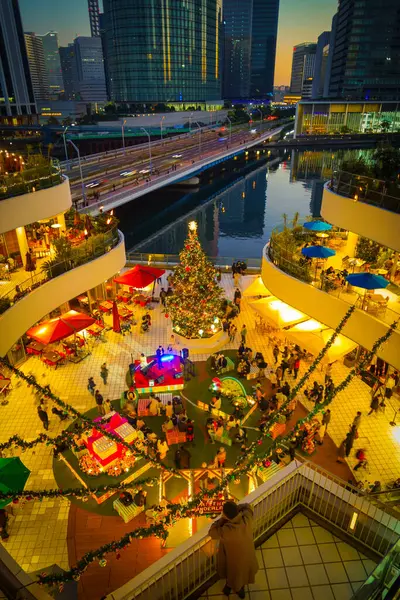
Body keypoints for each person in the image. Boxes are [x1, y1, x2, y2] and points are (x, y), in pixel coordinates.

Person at [209, 501, 258, 599]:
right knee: (241, 572)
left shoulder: (227, 530)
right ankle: (235, 586)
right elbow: (248, 507)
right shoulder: (246, 519)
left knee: (234, 572)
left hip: (233, 557)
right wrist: (237, 508)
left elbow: (212, 532)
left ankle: (237, 588)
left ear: (225, 515)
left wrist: (221, 520)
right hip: (247, 554)